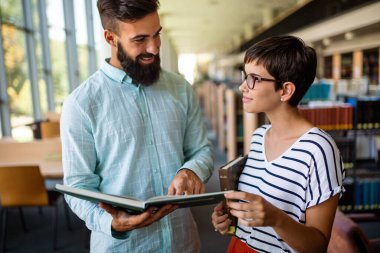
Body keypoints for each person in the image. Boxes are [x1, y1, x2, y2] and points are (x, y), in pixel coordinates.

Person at [60, 0, 213, 252]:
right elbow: (78, 187)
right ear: (111, 37)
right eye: (140, 39)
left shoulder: (180, 88)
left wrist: (191, 170)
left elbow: (202, 150)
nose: (153, 48)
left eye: (157, 34)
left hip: (183, 242)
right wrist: (111, 222)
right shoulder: (81, 104)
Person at [211, 35, 345, 253]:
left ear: (285, 90)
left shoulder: (318, 150)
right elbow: (254, 218)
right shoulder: (259, 137)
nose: (243, 87)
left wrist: (276, 219)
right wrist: (230, 219)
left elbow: (318, 245)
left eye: (254, 78)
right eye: (245, 76)